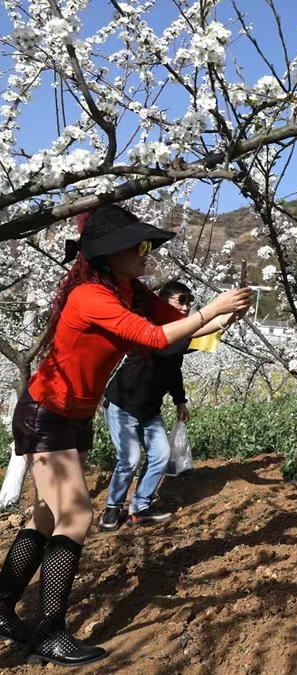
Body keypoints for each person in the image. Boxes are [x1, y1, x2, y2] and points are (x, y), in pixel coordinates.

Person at [0, 205, 251, 666]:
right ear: (110, 253)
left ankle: (1, 607)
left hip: (73, 415)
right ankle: (50, 631)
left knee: (47, 515)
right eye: (139, 246)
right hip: (46, 413)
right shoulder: (91, 297)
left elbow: (174, 329)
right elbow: (152, 338)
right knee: (76, 514)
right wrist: (211, 309)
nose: (146, 253)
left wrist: (225, 316)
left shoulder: (129, 290)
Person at [100, 281, 234, 531]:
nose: (186, 306)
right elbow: (177, 345)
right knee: (130, 458)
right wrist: (220, 318)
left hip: (150, 409)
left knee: (161, 455)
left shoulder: (176, 337)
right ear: (163, 303)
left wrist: (180, 400)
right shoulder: (152, 331)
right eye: (181, 300)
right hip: (123, 405)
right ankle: (112, 509)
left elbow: (174, 370)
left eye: (189, 301)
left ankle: (140, 508)